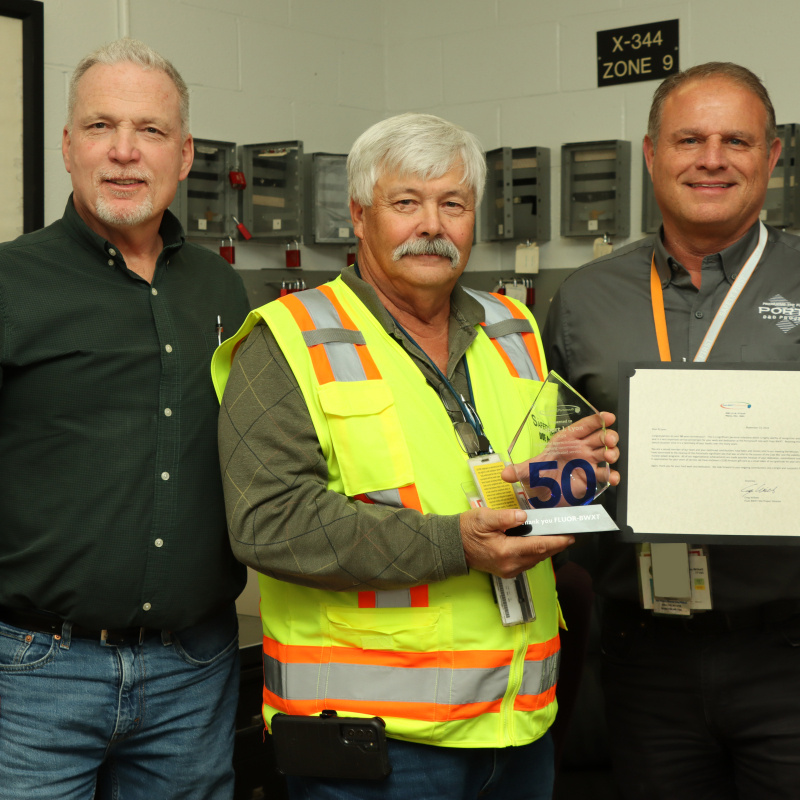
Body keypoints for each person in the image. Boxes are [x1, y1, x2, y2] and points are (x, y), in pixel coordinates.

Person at [213, 112, 618, 800]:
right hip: (373, 744)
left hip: (516, 727)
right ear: (359, 215)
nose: (431, 224)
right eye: (406, 203)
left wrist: (563, 473)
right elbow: (269, 522)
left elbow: (506, 486)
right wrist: (456, 543)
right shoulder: (286, 340)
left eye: (452, 204)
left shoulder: (512, 328)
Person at [0, 38, 250, 799]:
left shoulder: (219, 288)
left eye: (148, 130)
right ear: (68, 146)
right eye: (101, 126)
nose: (123, 152)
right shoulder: (10, 283)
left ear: (184, 153)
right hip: (37, 674)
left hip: (194, 674)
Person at [544, 62, 800, 800]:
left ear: (772, 156)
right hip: (644, 654)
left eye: (736, 141)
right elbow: (556, 464)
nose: (712, 159)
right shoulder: (586, 298)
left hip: (787, 648)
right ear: (653, 154)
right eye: (689, 139)